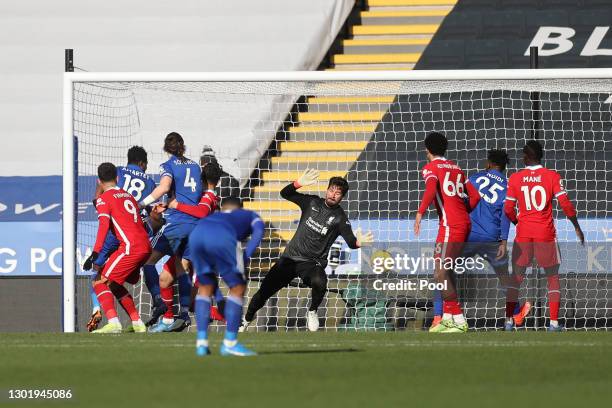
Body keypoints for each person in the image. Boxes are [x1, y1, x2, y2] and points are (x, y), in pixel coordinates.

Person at [242, 169, 373, 332]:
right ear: (327, 190)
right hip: (289, 259)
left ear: (342, 197)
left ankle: (312, 311)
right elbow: (285, 193)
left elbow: (351, 242)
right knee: (263, 293)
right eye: (331, 190)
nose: (333, 194)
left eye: (338, 193)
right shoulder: (312, 202)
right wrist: (298, 183)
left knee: (320, 281)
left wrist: (359, 242)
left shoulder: (340, 218)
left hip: (311, 264)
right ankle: (246, 321)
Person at [429, 149, 531, 332]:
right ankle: (516, 315)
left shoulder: (474, 178)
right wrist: (503, 241)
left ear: (489, 164)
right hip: (492, 238)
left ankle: (438, 316)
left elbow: (460, 200)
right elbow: (506, 215)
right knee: (504, 279)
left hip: (467, 235)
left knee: (443, 273)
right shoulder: (508, 186)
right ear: (504, 167)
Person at [504, 140, 584, 331]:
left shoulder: (515, 178)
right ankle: (554, 324)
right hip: (545, 234)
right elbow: (565, 204)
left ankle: (508, 321)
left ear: (525, 157)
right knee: (553, 277)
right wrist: (576, 227)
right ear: (541, 156)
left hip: (523, 235)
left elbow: (507, 209)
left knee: (516, 278)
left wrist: (519, 223)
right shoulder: (551, 176)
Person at [85, 146, 156, 332]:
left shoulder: (104, 199)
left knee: (99, 281)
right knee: (115, 285)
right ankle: (137, 323)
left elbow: (103, 227)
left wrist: (95, 252)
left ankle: (114, 323)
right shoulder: (129, 196)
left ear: (99, 181)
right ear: (117, 178)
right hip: (145, 247)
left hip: (130, 248)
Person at [414, 132, 480, 333]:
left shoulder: (431, 168)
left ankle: (459, 319)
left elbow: (431, 188)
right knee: (446, 270)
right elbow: (475, 196)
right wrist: (462, 210)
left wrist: (420, 213)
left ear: (428, 149)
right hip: (461, 223)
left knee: (440, 271)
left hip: (450, 225)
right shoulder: (457, 169)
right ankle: (448, 318)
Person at [149, 161, 224, 332]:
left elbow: (201, 212)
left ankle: (233, 321)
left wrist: (176, 205)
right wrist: (168, 206)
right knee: (165, 280)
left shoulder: (208, 198)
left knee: (190, 302)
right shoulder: (204, 197)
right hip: (192, 251)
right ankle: (168, 320)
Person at [139, 132, 202, 330]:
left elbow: (165, 187)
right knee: (180, 266)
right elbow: (191, 195)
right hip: (196, 224)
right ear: (183, 146)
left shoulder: (168, 166)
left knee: (148, 260)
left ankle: (159, 303)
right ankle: (183, 314)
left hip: (177, 223)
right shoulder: (195, 166)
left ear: (167, 149)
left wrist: (143, 203)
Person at [189, 197, 265, 356]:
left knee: (204, 287)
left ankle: (201, 344)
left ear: (222, 208)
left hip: (196, 234)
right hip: (221, 236)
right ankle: (230, 343)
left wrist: (219, 298)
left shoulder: (214, 215)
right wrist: (245, 257)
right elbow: (259, 230)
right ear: (240, 208)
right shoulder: (249, 214)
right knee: (238, 287)